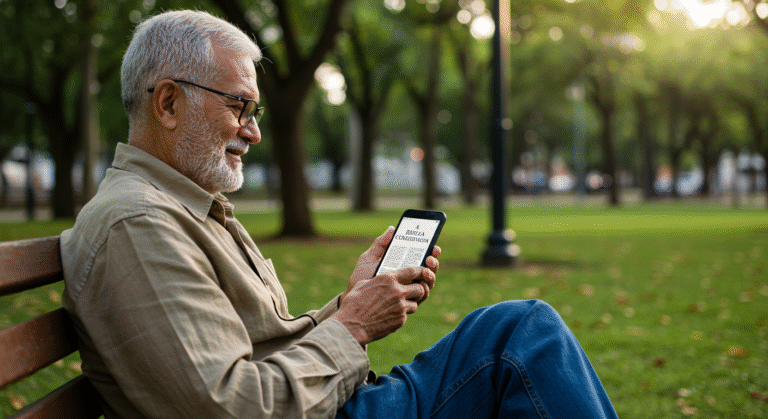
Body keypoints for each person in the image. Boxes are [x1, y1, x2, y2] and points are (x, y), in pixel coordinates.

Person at [61, 10, 618, 419]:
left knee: (516, 330)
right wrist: (354, 326)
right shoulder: (137, 223)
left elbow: (263, 353)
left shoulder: (174, 208)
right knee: (522, 336)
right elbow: (230, 408)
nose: (253, 132)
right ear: (168, 103)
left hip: (334, 404)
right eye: (239, 107)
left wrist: (350, 306)